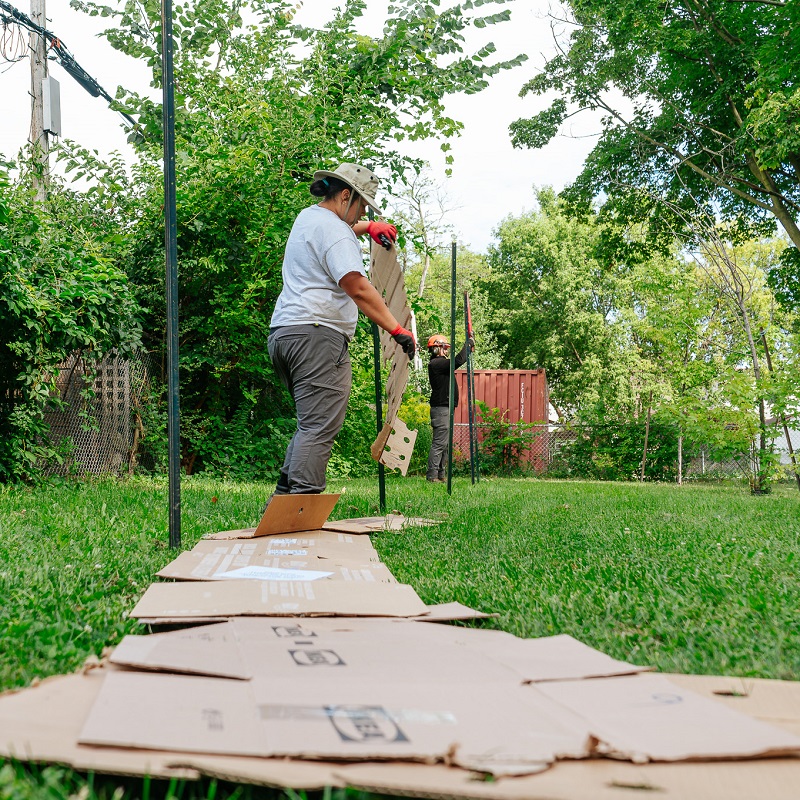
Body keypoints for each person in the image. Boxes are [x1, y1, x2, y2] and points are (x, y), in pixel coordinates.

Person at [267, 163, 415, 496]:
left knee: (310, 426)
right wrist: (397, 330)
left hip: (286, 333)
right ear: (346, 195)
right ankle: (300, 509)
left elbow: (337, 230)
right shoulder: (335, 231)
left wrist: (368, 227)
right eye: (362, 205)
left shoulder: (309, 217)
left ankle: (283, 504)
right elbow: (357, 286)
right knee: (320, 426)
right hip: (316, 336)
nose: (362, 212)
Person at [426, 334, 474, 482]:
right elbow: (459, 360)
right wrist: (468, 345)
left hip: (445, 407)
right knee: (439, 443)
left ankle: (440, 475)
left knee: (444, 444)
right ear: (435, 349)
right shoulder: (437, 363)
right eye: (443, 348)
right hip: (441, 409)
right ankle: (432, 475)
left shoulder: (441, 364)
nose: (446, 351)